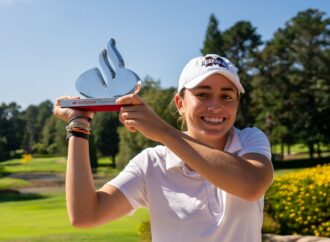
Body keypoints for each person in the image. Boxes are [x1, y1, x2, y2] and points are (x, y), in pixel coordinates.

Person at [54, 54, 274, 242]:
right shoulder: (151, 163)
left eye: (227, 96)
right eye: (203, 94)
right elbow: (85, 215)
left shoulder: (250, 141)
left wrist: (164, 132)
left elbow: (251, 185)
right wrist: (78, 126)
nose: (215, 106)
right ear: (180, 104)